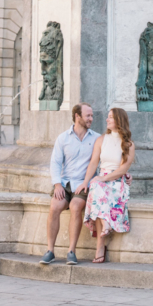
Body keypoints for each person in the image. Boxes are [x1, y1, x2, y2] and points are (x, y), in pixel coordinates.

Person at [41, 102, 99, 265]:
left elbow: (108, 157)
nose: (91, 119)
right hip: (65, 183)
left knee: (75, 207)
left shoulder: (96, 138)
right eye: (88, 115)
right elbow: (55, 162)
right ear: (77, 116)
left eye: (92, 115)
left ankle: (71, 251)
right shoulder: (63, 138)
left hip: (84, 184)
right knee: (54, 207)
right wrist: (57, 184)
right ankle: (50, 250)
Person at [80, 105, 135, 263]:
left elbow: (124, 168)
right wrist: (86, 182)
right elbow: (93, 163)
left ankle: (100, 245)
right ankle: (105, 226)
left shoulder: (129, 144)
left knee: (98, 189)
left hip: (117, 181)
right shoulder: (101, 140)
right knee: (95, 187)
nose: (107, 119)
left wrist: (104, 179)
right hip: (102, 181)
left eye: (110, 117)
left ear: (119, 120)